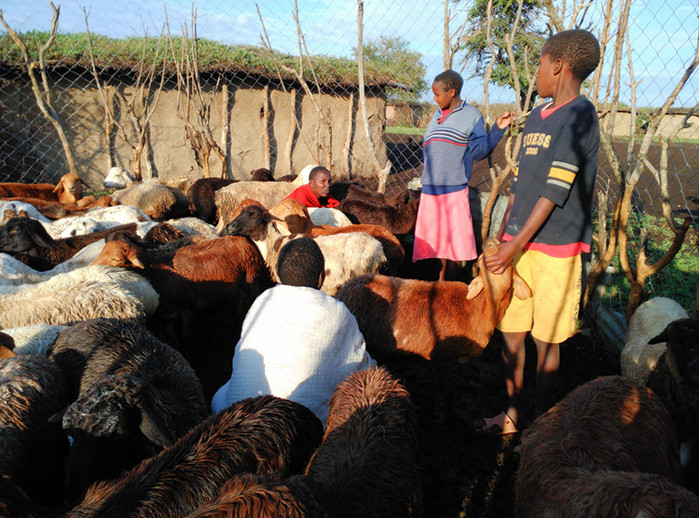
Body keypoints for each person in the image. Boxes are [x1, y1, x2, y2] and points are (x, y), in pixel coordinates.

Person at [474, 29, 601, 435]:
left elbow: (553, 191)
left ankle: (541, 429)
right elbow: (520, 187)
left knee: (546, 342)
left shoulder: (580, 116)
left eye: (541, 65)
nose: (538, 74)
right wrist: (504, 237)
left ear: (559, 65)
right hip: (518, 243)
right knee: (511, 333)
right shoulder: (537, 119)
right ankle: (512, 415)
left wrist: (515, 248)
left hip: (555, 249)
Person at [210, 236, 375, 425]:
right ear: (321, 278)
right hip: (299, 428)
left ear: (278, 276)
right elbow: (362, 367)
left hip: (237, 419)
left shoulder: (263, 301)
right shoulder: (336, 311)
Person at [412, 69, 512, 281]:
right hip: (430, 189)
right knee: (432, 244)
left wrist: (497, 130)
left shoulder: (471, 116)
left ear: (452, 91)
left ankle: (451, 289)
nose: (435, 98)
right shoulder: (436, 115)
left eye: (438, 94)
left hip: (454, 189)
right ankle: (436, 287)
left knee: (454, 245)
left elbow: (479, 151)